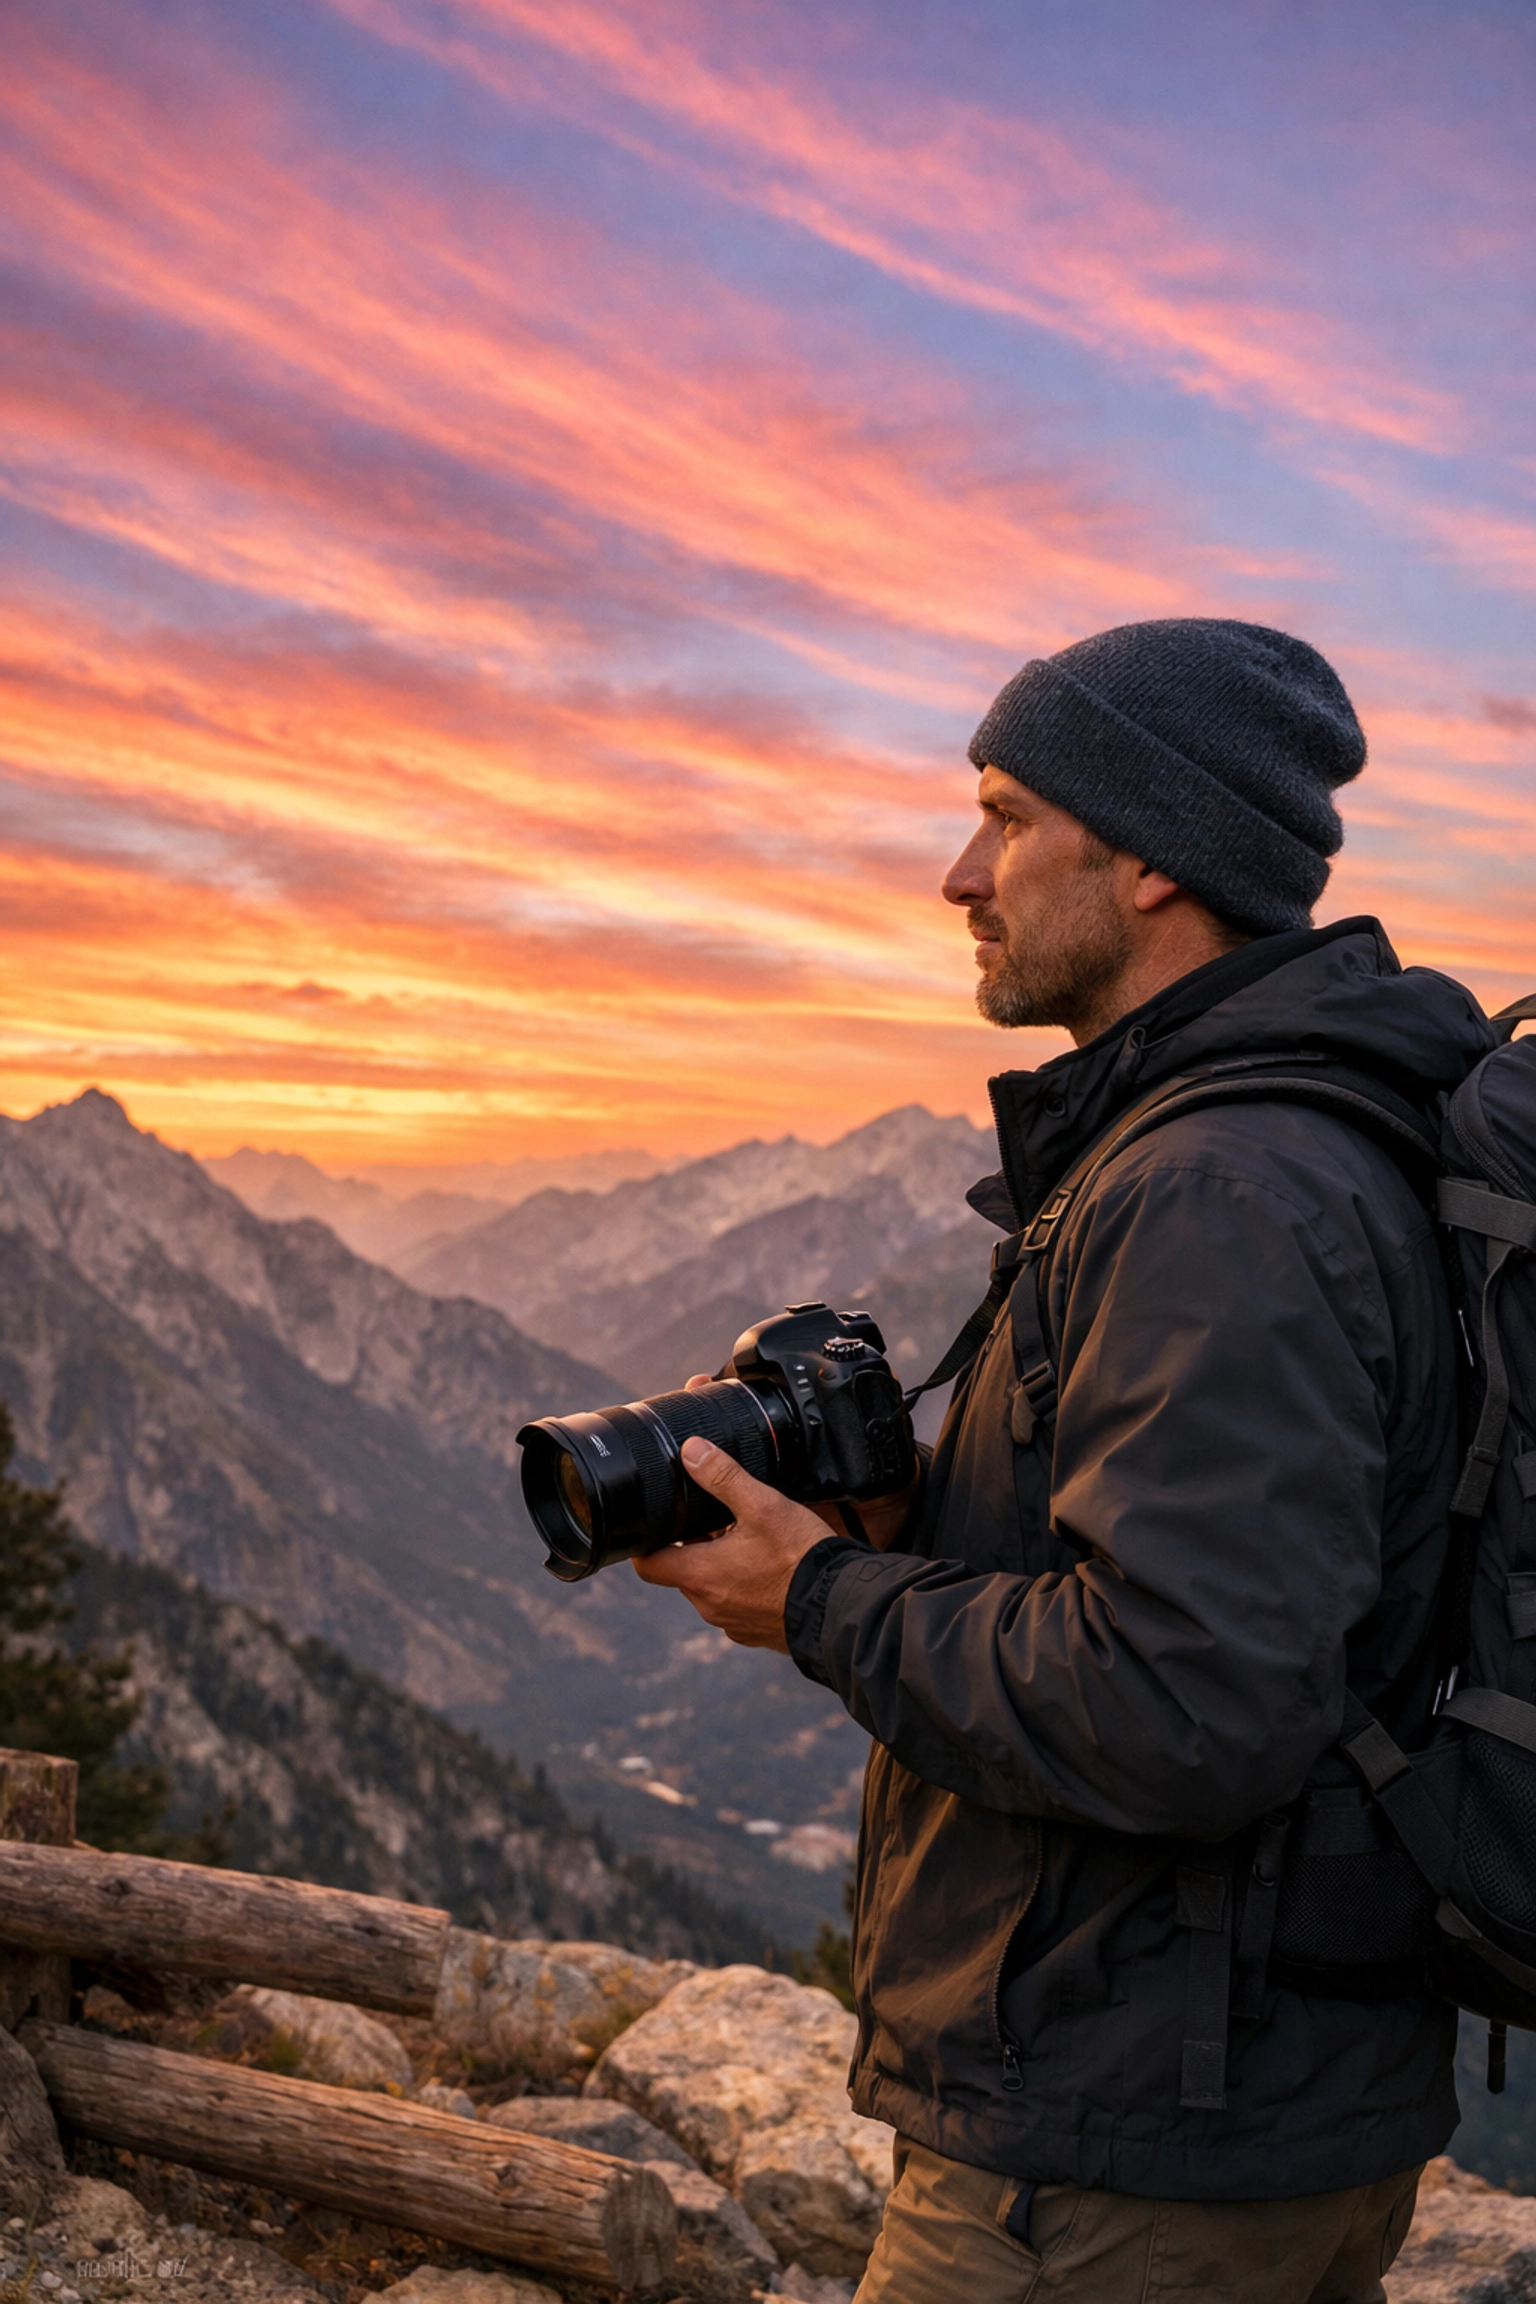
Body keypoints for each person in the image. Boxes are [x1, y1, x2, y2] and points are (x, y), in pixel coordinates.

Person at [635, 618, 1491, 2303]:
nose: (964, 870)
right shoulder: (1282, 1132)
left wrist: (821, 1599)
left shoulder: (1219, 1184)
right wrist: (905, 1520)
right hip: (1241, 2093)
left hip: (1123, 2151)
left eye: (1009, 815)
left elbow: (1192, 1701)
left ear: (1157, 854)